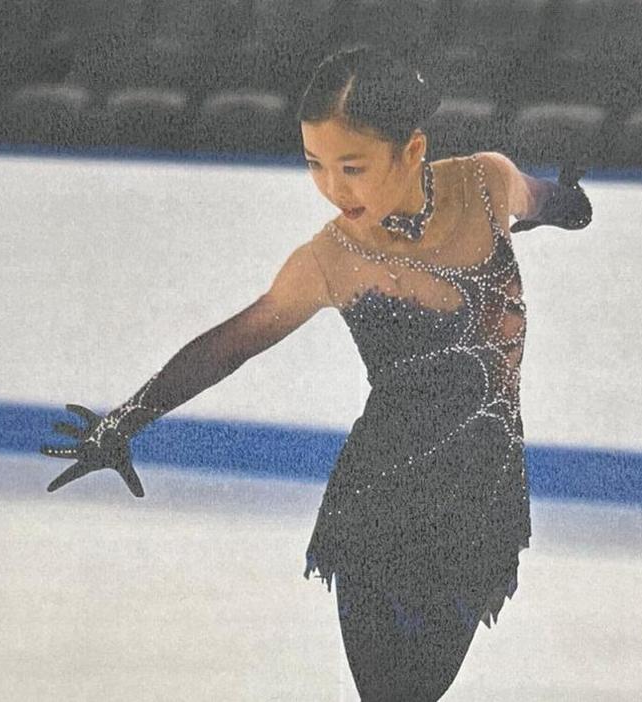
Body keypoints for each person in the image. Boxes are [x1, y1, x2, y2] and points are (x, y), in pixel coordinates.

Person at [41, 45, 592, 701]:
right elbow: (234, 341)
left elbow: (541, 201)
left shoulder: (484, 184)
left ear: (412, 151)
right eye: (315, 165)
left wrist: (572, 203)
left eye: (352, 167)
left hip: (480, 498)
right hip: (378, 502)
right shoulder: (334, 257)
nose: (334, 188)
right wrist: (124, 421)